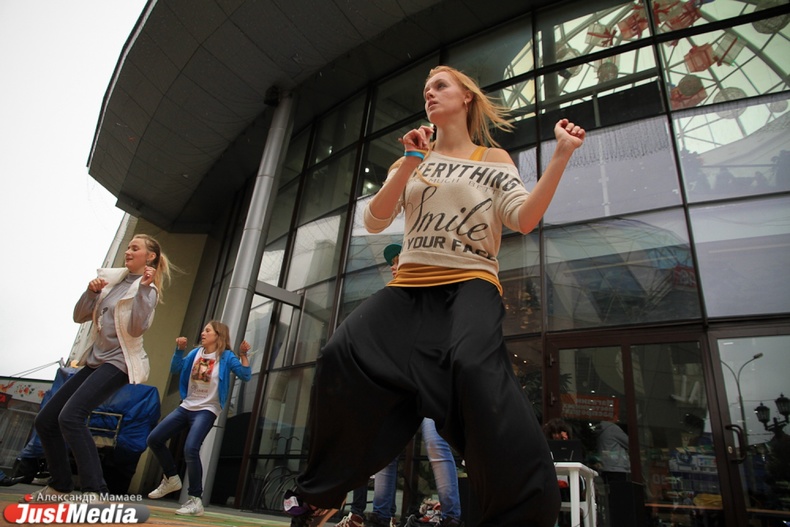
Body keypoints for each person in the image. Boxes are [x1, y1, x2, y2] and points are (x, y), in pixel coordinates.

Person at [283, 65, 585, 527]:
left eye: (440, 85)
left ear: (466, 97)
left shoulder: (492, 158)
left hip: (471, 283)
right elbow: (375, 220)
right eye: (426, 90)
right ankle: (324, 493)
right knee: (340, 353)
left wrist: (561, 155)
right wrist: (409, 160)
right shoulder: (412, 159)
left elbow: (523, 218)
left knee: (473, 371)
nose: (430, 94)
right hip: (409, 286)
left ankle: (520, 514)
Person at [31, 234, 172, 502]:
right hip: (96, 360)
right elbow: (79, 316)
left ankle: (96, 490)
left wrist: (144, 290)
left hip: (119, 361)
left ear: (150, 256)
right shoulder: (112, 283)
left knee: (71, 416)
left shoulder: (148, 290)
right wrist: (92, 292)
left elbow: (136, 328)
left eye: (135, 248)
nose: (128, 252)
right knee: (46, 419)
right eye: (128, 247)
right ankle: (60, 486)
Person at [337, 245, 462, 527]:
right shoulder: (390, 299)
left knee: (435, 442)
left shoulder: (432, 293)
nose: (393, 267)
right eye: (392, 263)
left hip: (431, 380)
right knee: (386, 446)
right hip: (399, 383)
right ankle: (381, 516)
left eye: (398, 261)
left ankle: (451, 516)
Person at [146, 321, 252, 516]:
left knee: (191, 448)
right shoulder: (195, 354)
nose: (203, 333)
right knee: (154, 438)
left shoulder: (226, 356)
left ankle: (195, 499)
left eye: (207, 330)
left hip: (207, 409)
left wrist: (243, 355)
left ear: (218, 335)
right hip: (187, 406)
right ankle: (171, 478)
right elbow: (175, 368)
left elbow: (245, 376)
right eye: (203, 330)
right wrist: (180, 350)